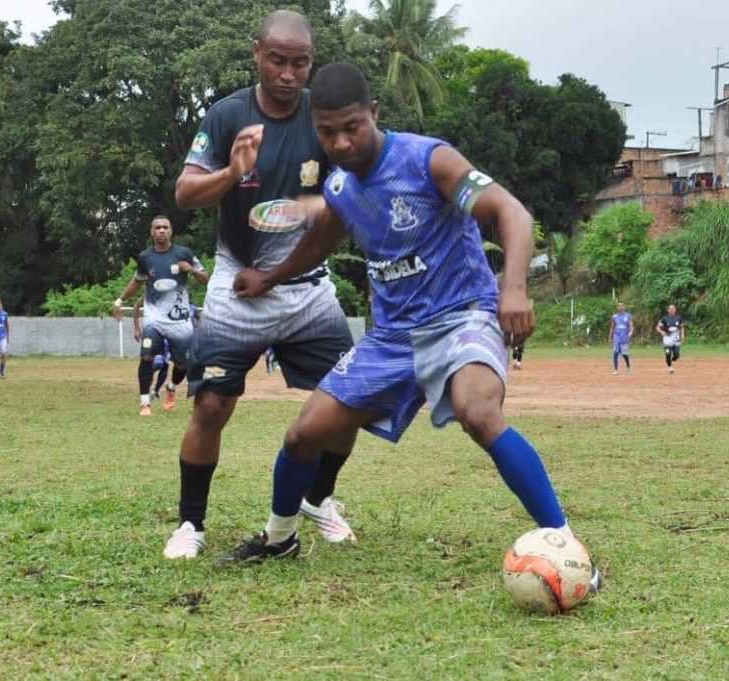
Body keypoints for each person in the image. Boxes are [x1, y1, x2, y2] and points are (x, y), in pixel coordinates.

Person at [220, 61, 599, 592]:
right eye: (328, 132)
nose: (342, 141)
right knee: (304, 433)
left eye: (352, 126)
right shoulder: (339, 186)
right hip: (391, 338)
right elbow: (322, 239)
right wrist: (270, 276)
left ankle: (567, 546)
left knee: (478, 411)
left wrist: (513, 289)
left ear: (373, 113)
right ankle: (279, 538)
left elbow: (511, 212)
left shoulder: (429, 160)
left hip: (462, 315)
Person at [168, 10, 360, 559]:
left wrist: (322, 203)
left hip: (306, 285)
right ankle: (191, 524)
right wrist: (230, 173)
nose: (288, 73)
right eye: (277, 60)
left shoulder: (324, 117)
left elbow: (352, 188)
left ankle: (318, 500)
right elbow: (185, 193)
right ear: (257, 53)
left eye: (300, 63)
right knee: (211, 407)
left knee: (349, 401)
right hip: (237, 284)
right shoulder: (228, 115)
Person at [112, 216, 208, 417]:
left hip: (179, 321)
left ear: (171, 231)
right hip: (154, 318)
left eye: (165, 227)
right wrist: (119, 301)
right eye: (158, 228)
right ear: (152, 232)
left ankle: (171, 387)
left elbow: (205, 279)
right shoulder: (145, 257)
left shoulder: (184, 253)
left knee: (182, 364)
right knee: (146, 356)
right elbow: (136, 282)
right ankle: (144, 403)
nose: (162, 231)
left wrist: (190, 269)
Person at [656, 304, 685, 374]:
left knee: (676, 355)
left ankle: (671, 359)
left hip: (676, 339)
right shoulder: (664, 318)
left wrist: (682, 335)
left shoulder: (679, 318)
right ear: (668, 310)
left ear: (675, 310)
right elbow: (657, 327)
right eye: (670, 309)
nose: (672, 310)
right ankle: (670, 367)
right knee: (668, 353)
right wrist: (661, 332)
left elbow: (682, 327)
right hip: (667, 338)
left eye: (673, 309)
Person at [608, 302, 634, 374]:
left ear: (624, 307)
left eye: (622, 306)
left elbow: (631, 326)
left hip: (624, 336)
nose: (620, 307)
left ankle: (628, 367)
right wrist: (610, 336)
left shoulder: (628, 316)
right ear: (617, 308)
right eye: (619, 306)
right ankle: (615, 370)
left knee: (624, 354)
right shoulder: (614, 316)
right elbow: (612, 327)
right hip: (616, 336)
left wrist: (631, 332)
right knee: (615, 352)